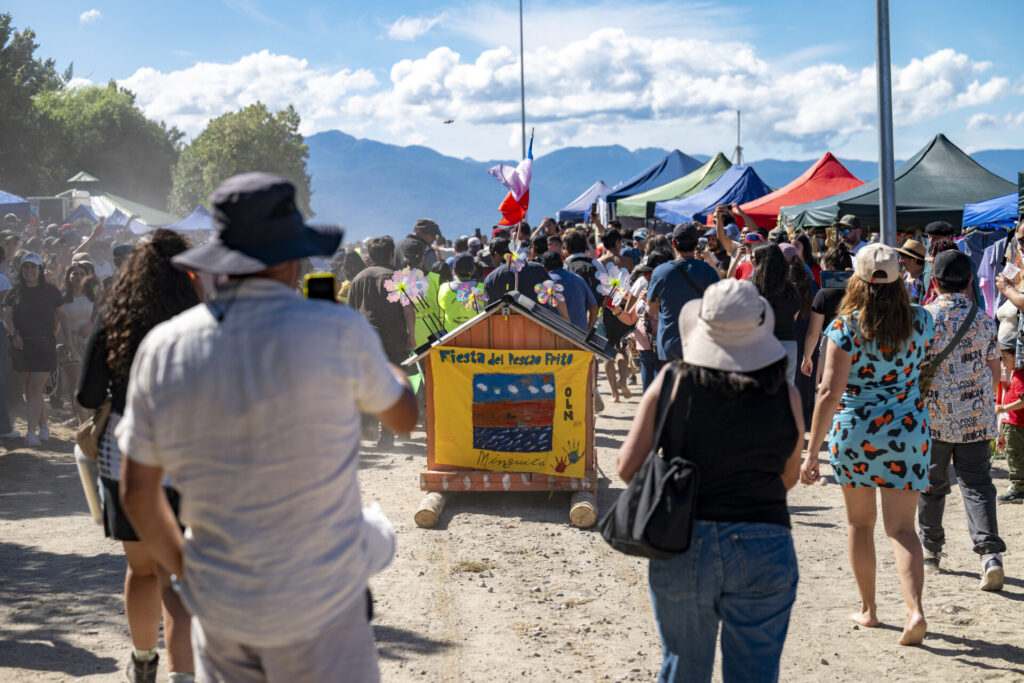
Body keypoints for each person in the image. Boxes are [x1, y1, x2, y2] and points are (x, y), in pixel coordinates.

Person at [118, 173, 418, 682]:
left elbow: (138, 495)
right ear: (290, 259)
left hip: (223, 606)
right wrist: (374, 357)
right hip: (323, 600)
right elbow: (403, 418)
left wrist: (190, 570)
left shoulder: (165, 347)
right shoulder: (335, 329)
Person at [617, 278, 803, 683]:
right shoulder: (785, 394)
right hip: (765, 540)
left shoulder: (672, 382)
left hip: (685, 539)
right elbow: (788, 476)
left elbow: (627, 466)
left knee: (684, 669)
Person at [76, 230, 200, 683]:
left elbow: (87, 392)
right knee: (180, 569)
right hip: (191, 454)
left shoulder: (116, 315)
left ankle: (145, 659)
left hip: (126, 454)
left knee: (143, 570)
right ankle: (184, 672)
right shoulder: (202, 318)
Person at [801, 244, 934, 646]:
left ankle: (869, 610)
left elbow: (827, 392)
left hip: (857, 433)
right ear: (900, 279)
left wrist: (811, 453)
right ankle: (915, 611)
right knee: (903, 529)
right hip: (908, 432)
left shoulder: (843, 328)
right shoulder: (922, 321)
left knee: (860, 525)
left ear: (855, 280)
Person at [918, 249, 1005, 590]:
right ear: (971, 281)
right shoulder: (985, 321)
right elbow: (996, 373)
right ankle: (989, 556)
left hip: (933, 419)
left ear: (934, 282)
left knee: (931, 484)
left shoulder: (923, 318)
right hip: (976, 419)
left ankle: (930, 549)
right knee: (978, 486)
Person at [349, 235, 417, 449]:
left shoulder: (358, 278)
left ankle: (365, 431)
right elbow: (408, 309)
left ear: (370, 256)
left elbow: (350, 313)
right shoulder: (398, 277)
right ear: (390, 254)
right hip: (393, 339)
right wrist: (411, 335)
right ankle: (387, 437)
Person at [2, 252, 73, 445]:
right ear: (21, 269)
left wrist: (69, 342)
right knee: (31, 390)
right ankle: (44, 426)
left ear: (40, 269)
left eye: (33, 267)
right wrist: (14, 334)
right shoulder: (14, 291)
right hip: (22, 345)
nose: (30, 271)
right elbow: (6, 316)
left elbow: (64, 316)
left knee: (34, 389)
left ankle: (30, 432)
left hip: (45, 345)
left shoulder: (51, 290)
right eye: (26, 267)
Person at [647, 224, 720, 362]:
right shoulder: (708, 271)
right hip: (700, 344)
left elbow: (651, 306)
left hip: (670, 344)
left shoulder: (660, 272)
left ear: (673, 243)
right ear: (697, 243)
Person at [800, 244, 854, 379]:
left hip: (831, 344)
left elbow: (813, 332)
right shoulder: (861, 292)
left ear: (830, 269)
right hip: (858, 343)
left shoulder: (823, 295)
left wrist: (806, 357)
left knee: (832, 388)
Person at [751, 243, 801, 384]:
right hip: (789, 344)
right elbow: (794, 317)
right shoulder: (792, 289)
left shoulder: (752, 287)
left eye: (754, 259)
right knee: (786, 393)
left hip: (761, 343)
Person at [540, 250, 596, 333]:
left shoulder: (546, 283)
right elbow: (594, 307)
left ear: (544, 266)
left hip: (556, 336)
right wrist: (588, 328)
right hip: (580, 338)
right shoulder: (578, 279)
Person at [483, 236, 550, 303]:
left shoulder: (491, 279)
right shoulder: (538, 268)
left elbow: (491, 310)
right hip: (540, 313)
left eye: (491, 257)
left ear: (496, 255)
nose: (491, 261)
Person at [997, 348, 1024, 503]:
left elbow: (1022, 400)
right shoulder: (1016, 374)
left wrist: (1003, 408)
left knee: (1015, 456)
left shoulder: (1020, 374)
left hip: (1015, 424)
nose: (1004, 362)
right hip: (1012, 423)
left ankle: (1019, 488)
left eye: (1006, 358)